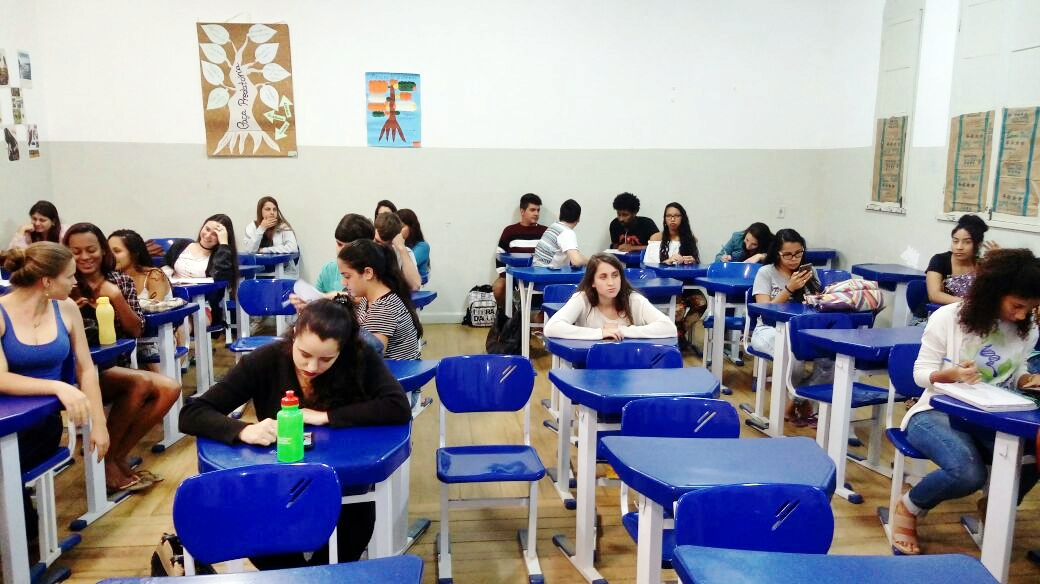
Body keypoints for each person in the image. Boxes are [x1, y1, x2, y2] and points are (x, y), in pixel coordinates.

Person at [180, 298, 412, 568]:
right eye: (304, 354)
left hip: (343, 484)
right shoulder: (265, 361)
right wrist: (243, 430)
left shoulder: (359, 358)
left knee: (351, 532)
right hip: (278, 483)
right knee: (265, 543)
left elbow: (397, 406)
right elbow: (192, 413)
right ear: (293, 336)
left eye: (326, 359)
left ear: (343, 350)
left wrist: (326, 416)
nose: (312, 367)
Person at [890, 248, 1040, 556]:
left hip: (992, 417)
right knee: (968, 472)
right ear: (994, 293)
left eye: (1031, 309)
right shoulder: (948, 318)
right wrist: (949, 375)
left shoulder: (1027, 329)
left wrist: (1027, 379)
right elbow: (921, 374)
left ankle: (994, 504)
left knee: (1034, 456)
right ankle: (909, 506)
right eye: (1017, 305)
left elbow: (1016, 372)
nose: (1022, 315)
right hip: (935, 410)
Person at [0, 243, 108, 546]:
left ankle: (21, 535)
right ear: (46, 281)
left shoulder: (67, 309)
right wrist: (58, 386)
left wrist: (99, 423)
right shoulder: (2, 312)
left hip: (41, 423)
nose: (75, 282)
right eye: (69, 276)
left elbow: (86, 369)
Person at [64, 223, 180, 493]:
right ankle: (108, 464)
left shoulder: (119, 281)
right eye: (76, 252)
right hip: (76, 372)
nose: (84, 257)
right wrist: (67, 307)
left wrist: (116, 298)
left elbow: (137, 329)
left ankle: (114, 457)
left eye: (91, 250)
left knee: (170, 388)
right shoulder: (65, 284)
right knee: (140, 383)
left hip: (111, 365)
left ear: (102, 251)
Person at [748, 228, 823, 426]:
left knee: (830, 358)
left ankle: (796, 401)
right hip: (768, 329)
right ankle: (794, 407)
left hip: (801, 330)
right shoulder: (766, 272)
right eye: (787, 255)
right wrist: (789, 288)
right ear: (777, 253)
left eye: (798, 253)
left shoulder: (809, 272)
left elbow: (818, 304)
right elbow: (764, 310)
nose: (794, 259)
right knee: (792, 353)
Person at [544, 253, 676, 340]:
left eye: (615, 275)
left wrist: (621, 331)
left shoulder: (634, 299)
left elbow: (669, 328)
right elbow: (552, 327)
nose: (611, 283)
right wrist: (600, 333)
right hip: (590, 367)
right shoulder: (582, 299)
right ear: (592, 282)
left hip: (631, 366)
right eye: (603, 277)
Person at [337, 239, 422, 360]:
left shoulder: (383, 309)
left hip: (394, 371)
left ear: (368, 273)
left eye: (347, 276)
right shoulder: (370, 298)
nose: (343, 282)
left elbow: (369, 359)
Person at [109, 228, 174, 370]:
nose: (111, 256)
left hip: (155, 336)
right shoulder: (111, 278)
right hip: (126, 337)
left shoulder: (154, 275)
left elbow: (154, 307)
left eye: (117, 251)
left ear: (134, 253)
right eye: (108, 251)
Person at [644, 202, 708, 344]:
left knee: (701, 302)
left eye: (676, 216)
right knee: (679, 308)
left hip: (686, 284)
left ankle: (679, 333)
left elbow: (696, 266)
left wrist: (692, 261)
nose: (672, 219)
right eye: (669, 216)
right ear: (665, 219)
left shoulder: (690, 239)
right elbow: (648, 265)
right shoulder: (657, 238)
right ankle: (674, 337)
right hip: (665, 285)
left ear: (682, 218)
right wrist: (666, 261)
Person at [162, 214, 238, 327]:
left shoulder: (221, 256)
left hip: (203, 306)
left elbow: (220, 278)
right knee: (166, 322)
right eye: (207, 229)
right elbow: (165, 265)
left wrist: (224, 244)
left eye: (215, 234)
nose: (208, 235)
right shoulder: (181, 245)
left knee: (181, 324)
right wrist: (166, 273)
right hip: (173, 301)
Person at [925, 214, 996, 306]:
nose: (959, 247)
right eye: (955, 241)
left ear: (978, 245)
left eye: (967, 242)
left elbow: (995, 294)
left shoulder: (982, 265)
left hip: (972, 313)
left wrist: (999, 260)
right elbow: (934, 295)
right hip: (940, 312)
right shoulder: (940, 260)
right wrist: (968, 303)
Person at [492, 193, 548, 307]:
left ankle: (541, 314)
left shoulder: (546, 232)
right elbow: (499, 255)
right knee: (498, 288)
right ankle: (507, 313)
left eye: (538, 210)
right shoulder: (510, 231)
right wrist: (505, 276)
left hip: (538, 276)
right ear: (522, 211)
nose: (536, 213)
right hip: (513, 276)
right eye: (532, 210)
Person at [314, 214, 376, 295]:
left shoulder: (373, 273)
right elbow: (315, 298)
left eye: (347, 276)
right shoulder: (329, 269)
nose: (341, 251)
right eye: (339, 244)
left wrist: (337, 296)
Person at [242, 196, 299, 277]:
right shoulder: (251, 227)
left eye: (274, 209)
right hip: (257, 273)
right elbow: (249, 251)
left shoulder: (283, 226)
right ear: (260, 211)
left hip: (283, 271)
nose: (272, 212)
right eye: (268, 209)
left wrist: (264, 250)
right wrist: (261, 228)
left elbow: (293, 248)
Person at [373, 212, 422, 291]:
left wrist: (401, 248)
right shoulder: (365, 248)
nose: (379, 247)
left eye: (385, 245)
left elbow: (415, 285)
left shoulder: (403, 251)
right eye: (377, 241)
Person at [533, 199, 587, 269]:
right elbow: (576, 261)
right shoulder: (566, 232)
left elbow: (576, 254)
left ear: (560, 215)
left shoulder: (554, 226)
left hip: (536, 270)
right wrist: (592, 263)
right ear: (578, 218)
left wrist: (589, 261)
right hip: (547, 273)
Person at [397, 209, 430, 281]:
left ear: (411, 227)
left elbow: (402, 266)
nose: (397, 231)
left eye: (401, 227)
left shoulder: (423, 247)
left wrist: (400, 244)